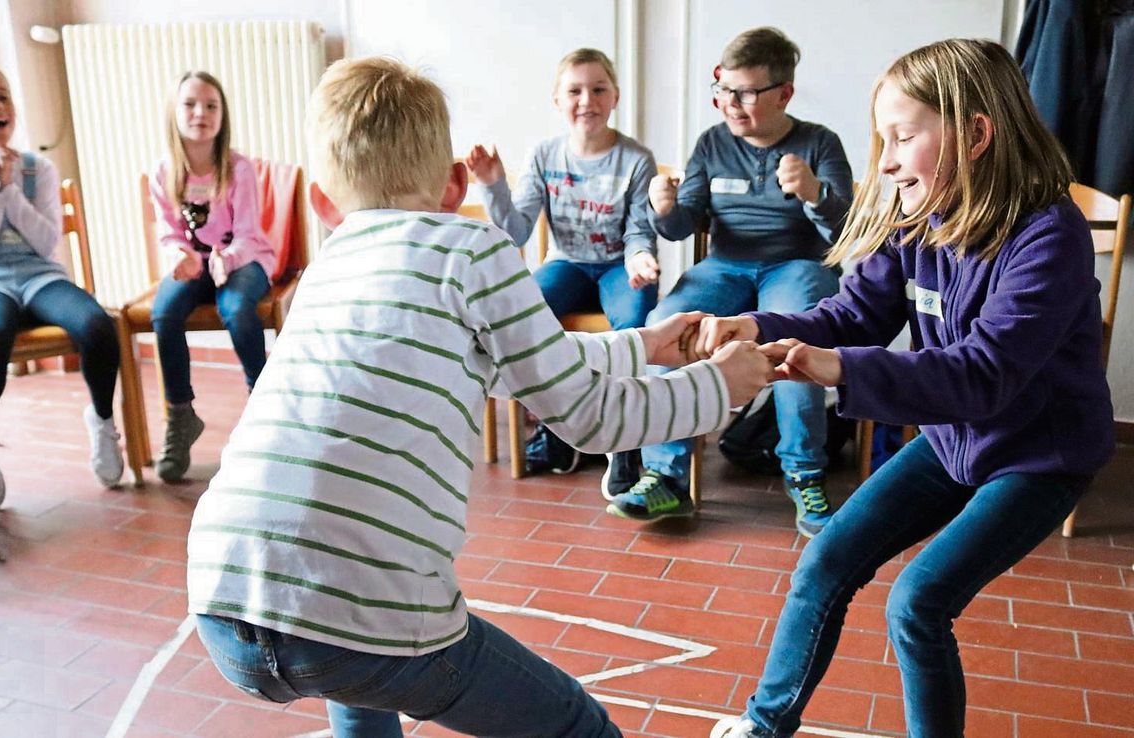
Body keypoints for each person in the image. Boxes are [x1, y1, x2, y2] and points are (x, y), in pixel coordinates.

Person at [187, 56, 775, 738]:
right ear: (455, 185)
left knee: (356, 669)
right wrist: (718, 388)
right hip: (364, 612)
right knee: (574, 725)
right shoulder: (472, 246)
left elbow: (504, 362)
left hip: (223, 598)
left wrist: (642, 346)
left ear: (322, 203)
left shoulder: (319, 275)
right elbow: (589, 417)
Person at [704, 38, 1114, 738]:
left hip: (1037, 459)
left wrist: (837, 368)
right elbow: (851, 315)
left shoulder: (1050, 235)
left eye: (902, 138)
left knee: (918, 603)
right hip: (955, 438)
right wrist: (750, 323)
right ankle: (764, 725)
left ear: (977, 134)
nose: (886, 162)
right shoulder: (919, 222)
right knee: (826, 560)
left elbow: (983, 374)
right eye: (883, 141)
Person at [605, 27, 853, 529]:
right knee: (667, 320)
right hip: (726, 265)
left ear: (784, 92)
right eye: (723, 90)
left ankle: (805, 473)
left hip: (797, 265)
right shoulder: (712, 144)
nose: (730, 105)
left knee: (799, 330)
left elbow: (846, 230)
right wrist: (664, 208)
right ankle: (666, 477)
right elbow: (679, 227)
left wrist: (813, 193)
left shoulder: (820, 143)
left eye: (745, 93)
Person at [0, 58, 124, 509]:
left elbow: (45, 243)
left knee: (97, 325)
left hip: (39, 274)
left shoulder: (39, 167)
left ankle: (101, 419)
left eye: (2, 95)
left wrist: (11, 188)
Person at [466, 47, 658, 483]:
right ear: (557, 100)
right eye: (574, 91)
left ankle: (625, 447)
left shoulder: (636, 159)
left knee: (634, 322)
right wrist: (494, 185)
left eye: (598, 89)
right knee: (524, 313)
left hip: (617, 267)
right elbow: (515, 231)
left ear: (615, 97)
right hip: (567, 264)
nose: (586, 100)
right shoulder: (545, 156)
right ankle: (556, 433)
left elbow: (638, 231)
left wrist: (640, 259)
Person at [148, 70, 275, 482]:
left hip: (244, 260)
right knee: (164, 313)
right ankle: (181, 416)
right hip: (196, 264)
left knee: (236, 309)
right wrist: (177, 254)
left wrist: (229, 260)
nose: (200, 112)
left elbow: (248, 233)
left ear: (223, 115)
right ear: (174, 112)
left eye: (210, 105)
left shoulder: (239, 169)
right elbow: (167, 231)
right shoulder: (163, 172)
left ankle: (266, 410)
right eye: (190, 104)